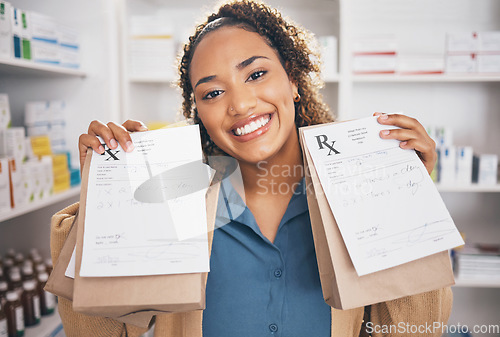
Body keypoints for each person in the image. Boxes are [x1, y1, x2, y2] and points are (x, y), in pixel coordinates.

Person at [52, 1, 452, 336]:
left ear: (293, 79)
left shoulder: (352, 190)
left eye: (256, 74)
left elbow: (415, 328)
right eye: (213, 92)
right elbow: (99, 332)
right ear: (199, 113)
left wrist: (410, 205)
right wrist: (104, 203)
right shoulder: (175, 198)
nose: (240, 104)